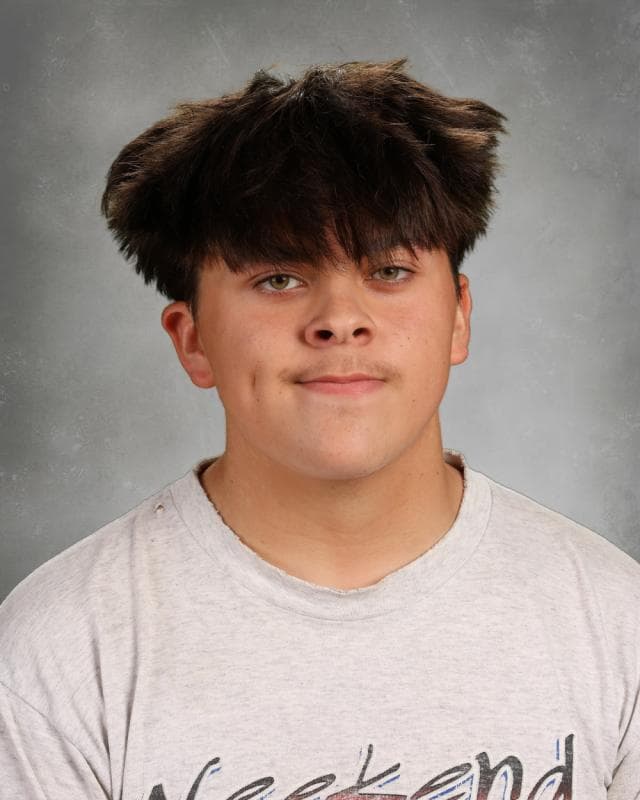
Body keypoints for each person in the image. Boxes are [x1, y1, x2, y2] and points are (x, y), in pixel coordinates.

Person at [0, 58, 637, 799]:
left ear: (459, 317)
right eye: (279, 278)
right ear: (192, 340)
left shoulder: (615, 624)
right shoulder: (57, 653)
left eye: (389, 271)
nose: (340, 320)